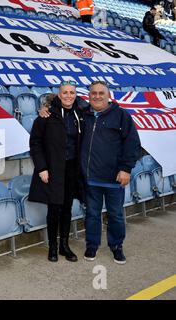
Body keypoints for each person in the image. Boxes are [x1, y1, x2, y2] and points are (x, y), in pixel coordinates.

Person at [81, 81, 141, 265]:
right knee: (92, 214)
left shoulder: (121, 115)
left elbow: (132, 144)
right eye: (93, 93)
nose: (97, 96)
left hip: (114, 178)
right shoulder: (84, 114)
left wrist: (126, 169)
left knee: (115, 215)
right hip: (90, 178)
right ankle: (92, 244)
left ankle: (116, 246)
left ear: (108, 95)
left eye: (101, 93)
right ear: (89, 95)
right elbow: (63, 102)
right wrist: (46, 107)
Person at [28, 81, 84, 262]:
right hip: (53, 170)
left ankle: (64, 246)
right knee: (54, 209)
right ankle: (52, 247)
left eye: (72, 92)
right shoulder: (46, 116)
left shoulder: (81, 113)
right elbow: (35, 144)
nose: (69, 95)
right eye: (65, 92)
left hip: (72, 168)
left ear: (76, 94)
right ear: (59, 95)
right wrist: (42, 168)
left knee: (67, 208)